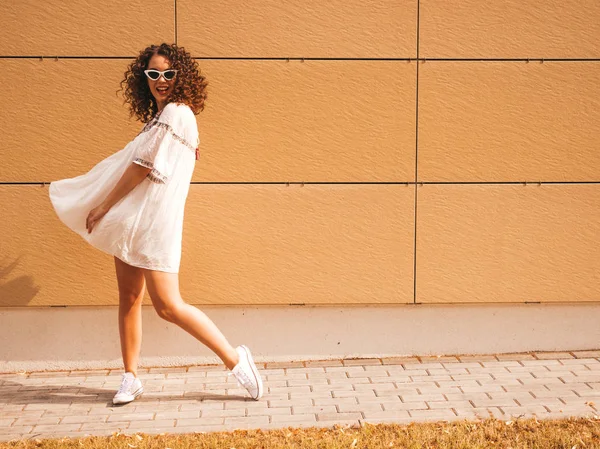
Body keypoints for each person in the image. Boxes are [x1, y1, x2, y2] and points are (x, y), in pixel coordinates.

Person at [48, 43, 263, 405]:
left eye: (168, 74)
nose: (160, 80)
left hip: (154, 224)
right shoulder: (158, 119)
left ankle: (236, 359)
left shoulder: (178, 113)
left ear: (182, 77)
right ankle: (130, 377)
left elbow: (142, 167)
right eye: (153, 74)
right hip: (134, 221)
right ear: (143, 78)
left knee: (168, 305)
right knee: (129, 298)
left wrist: (101, 206)